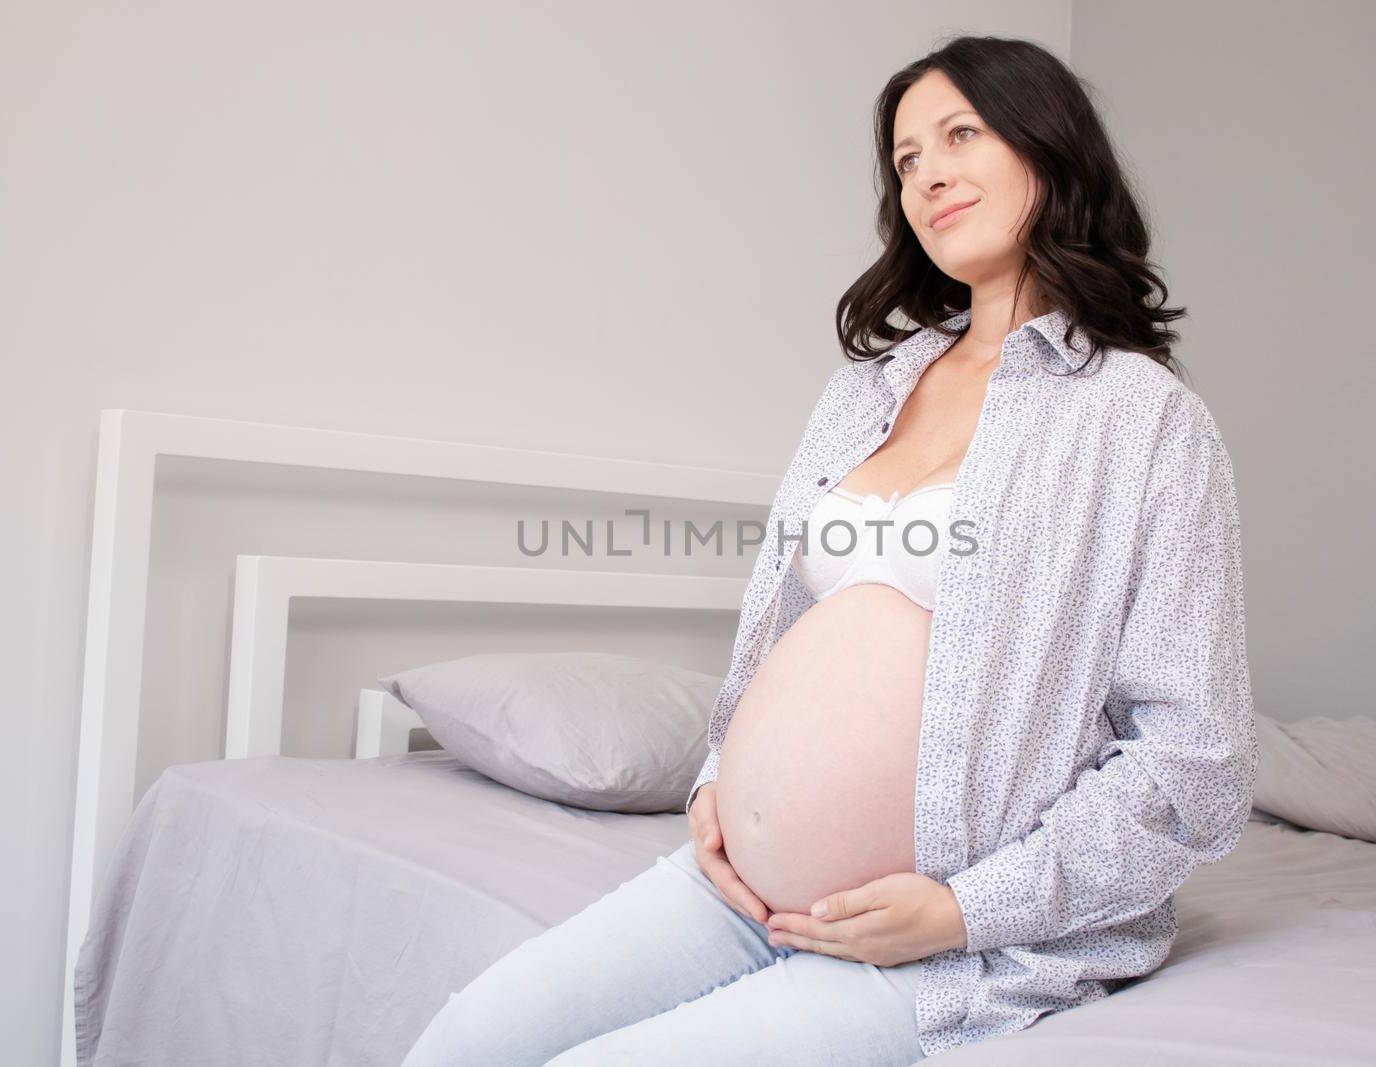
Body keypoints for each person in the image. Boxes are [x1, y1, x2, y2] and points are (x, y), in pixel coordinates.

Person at [402, 32, 1256, 1066]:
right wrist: (719, 781)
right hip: (733, 886)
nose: (928, 173)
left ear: (1048, 148)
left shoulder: (1140, 419)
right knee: (461, 1040)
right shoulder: (867, 389)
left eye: (960, 135)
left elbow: (1191, 760)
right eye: (904, 160)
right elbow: (782, 638)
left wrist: (961, 909)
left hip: (955, 938)